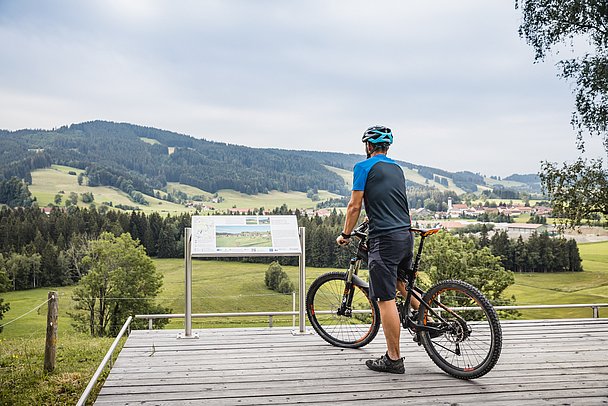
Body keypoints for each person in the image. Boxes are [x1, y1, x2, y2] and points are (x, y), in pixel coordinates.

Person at [336, 125, 413, 374]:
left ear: (369, 146)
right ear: (387, 147)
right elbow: (390, 201)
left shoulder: (363, 167)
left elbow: (354, 206)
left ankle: (394, 359)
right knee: (402, 283)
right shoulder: (396, 168)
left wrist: (346, 234)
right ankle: (427, 319)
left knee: (385, 298)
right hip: (405, 235)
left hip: (385, 239)